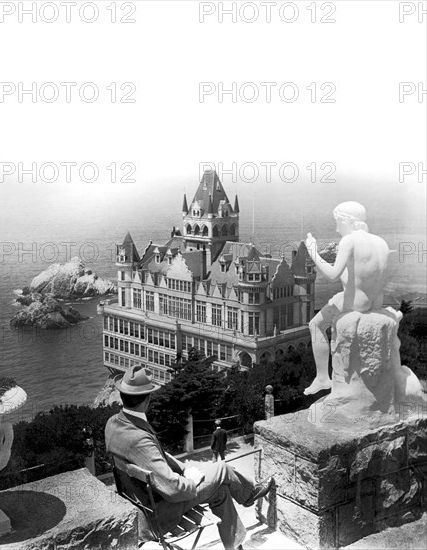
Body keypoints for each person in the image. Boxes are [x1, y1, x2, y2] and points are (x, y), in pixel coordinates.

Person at [105, 365, 274, 550]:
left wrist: (184, 468)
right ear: (147, 400)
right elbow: (173, 489)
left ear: (122, 395)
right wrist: (190, 481)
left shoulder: (113, 423)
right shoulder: (138, 439)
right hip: (160, 514)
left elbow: (157, 455)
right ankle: (248, 495)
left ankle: (235, 546)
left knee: (221, 491)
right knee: (222, 469)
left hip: (144, 503)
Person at [304, 201, 390, 395]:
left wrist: (313, 252)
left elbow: (333, 275)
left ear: (347, 220)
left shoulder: (349, 240)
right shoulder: (380, 242)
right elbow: (365, 276)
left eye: (338, 222)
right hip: (375, 301)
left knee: (315, 324)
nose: (336, 228)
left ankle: (322, 378)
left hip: (355, 304)